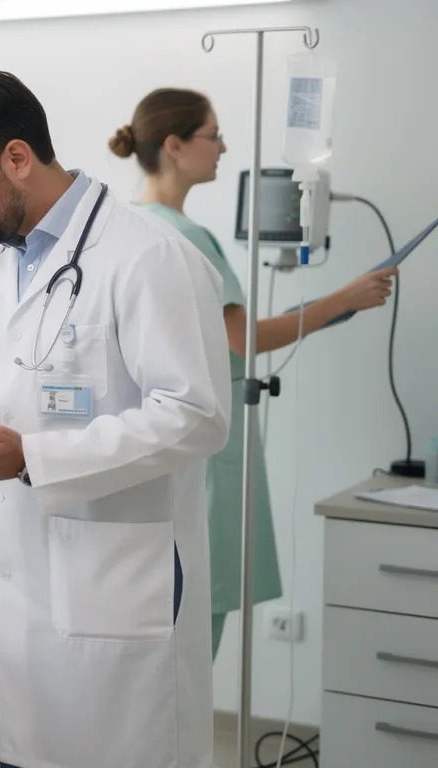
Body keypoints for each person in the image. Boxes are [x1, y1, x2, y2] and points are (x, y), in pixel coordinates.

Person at [0, 71, 231, 768]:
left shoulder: (148, 256)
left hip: (114, 601)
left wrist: (32, 459)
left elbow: (198, 414)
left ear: (16, 158)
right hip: (21, 609)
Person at [110, 87, 398, 659]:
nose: (222, 147)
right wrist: (345, 299)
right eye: (213, 135)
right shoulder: (187, 236)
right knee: (194, 635)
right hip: (204, 455)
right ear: (174, 145)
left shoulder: (127, 226)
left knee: (158, 642)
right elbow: (244, 340)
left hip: (152, 451)